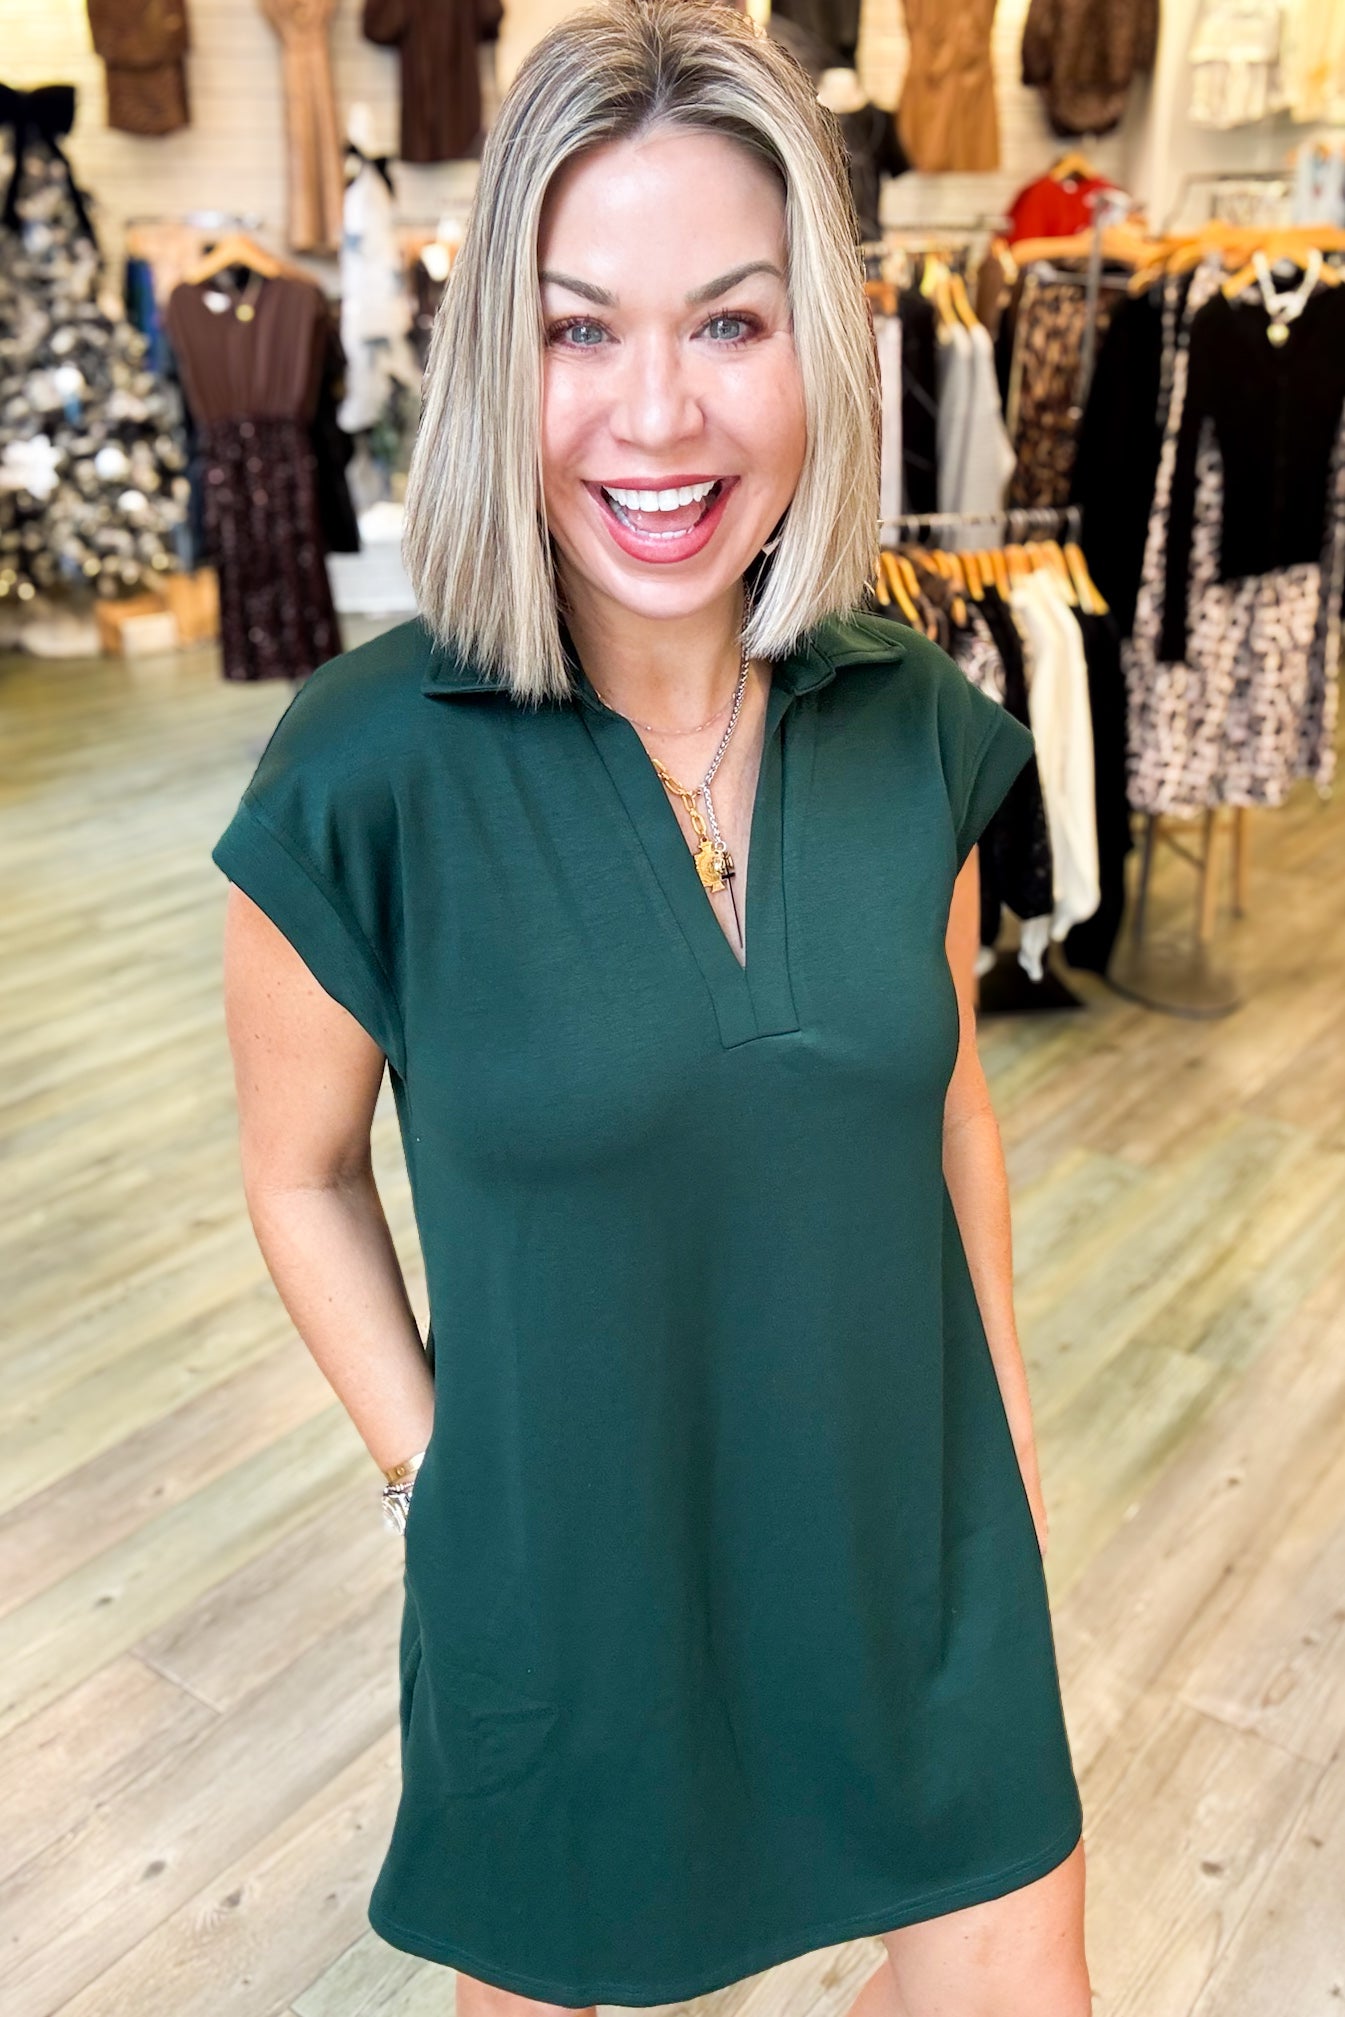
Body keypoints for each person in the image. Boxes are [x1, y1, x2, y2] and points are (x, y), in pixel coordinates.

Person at [211, 2, 1091, 2012]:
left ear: (818, 346)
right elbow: (298, 1171)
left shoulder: (914, 721)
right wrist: (435, 1480)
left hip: (916, 1555)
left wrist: (1016, 1458)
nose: (659, 415)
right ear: (494, 365)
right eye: (579, 329)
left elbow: (948, 1105)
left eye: (729, 321)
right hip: (567, 1591)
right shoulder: (362, 769)